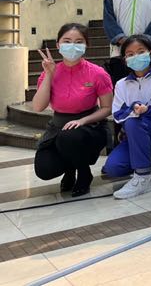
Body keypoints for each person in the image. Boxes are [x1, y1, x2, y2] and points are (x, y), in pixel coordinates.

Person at [32, 23, 113, 196]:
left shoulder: (97, 73)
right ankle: (70, 169)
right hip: (58, 126)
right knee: (44, 169)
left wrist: (83, 121)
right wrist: (49, 74)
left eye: (79, 41)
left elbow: (107, 108)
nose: (72, 46)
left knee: (69, 137)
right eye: (67, 41)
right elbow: (38, 106)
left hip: (90, 127)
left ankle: (84, 174)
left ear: (86, 45)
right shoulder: (50, 72)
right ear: (58, 45)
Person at [103, 35, 151, 199]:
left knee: (134, 122)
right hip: (134, 136)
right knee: (113, 168)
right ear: (125, 59)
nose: (136, 57)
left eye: (141, 52)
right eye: (130, 54)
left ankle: (143, 177)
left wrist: (137, 111)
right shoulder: (122, 84)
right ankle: (148, 162)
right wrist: (137, 108)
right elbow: (117, 115)